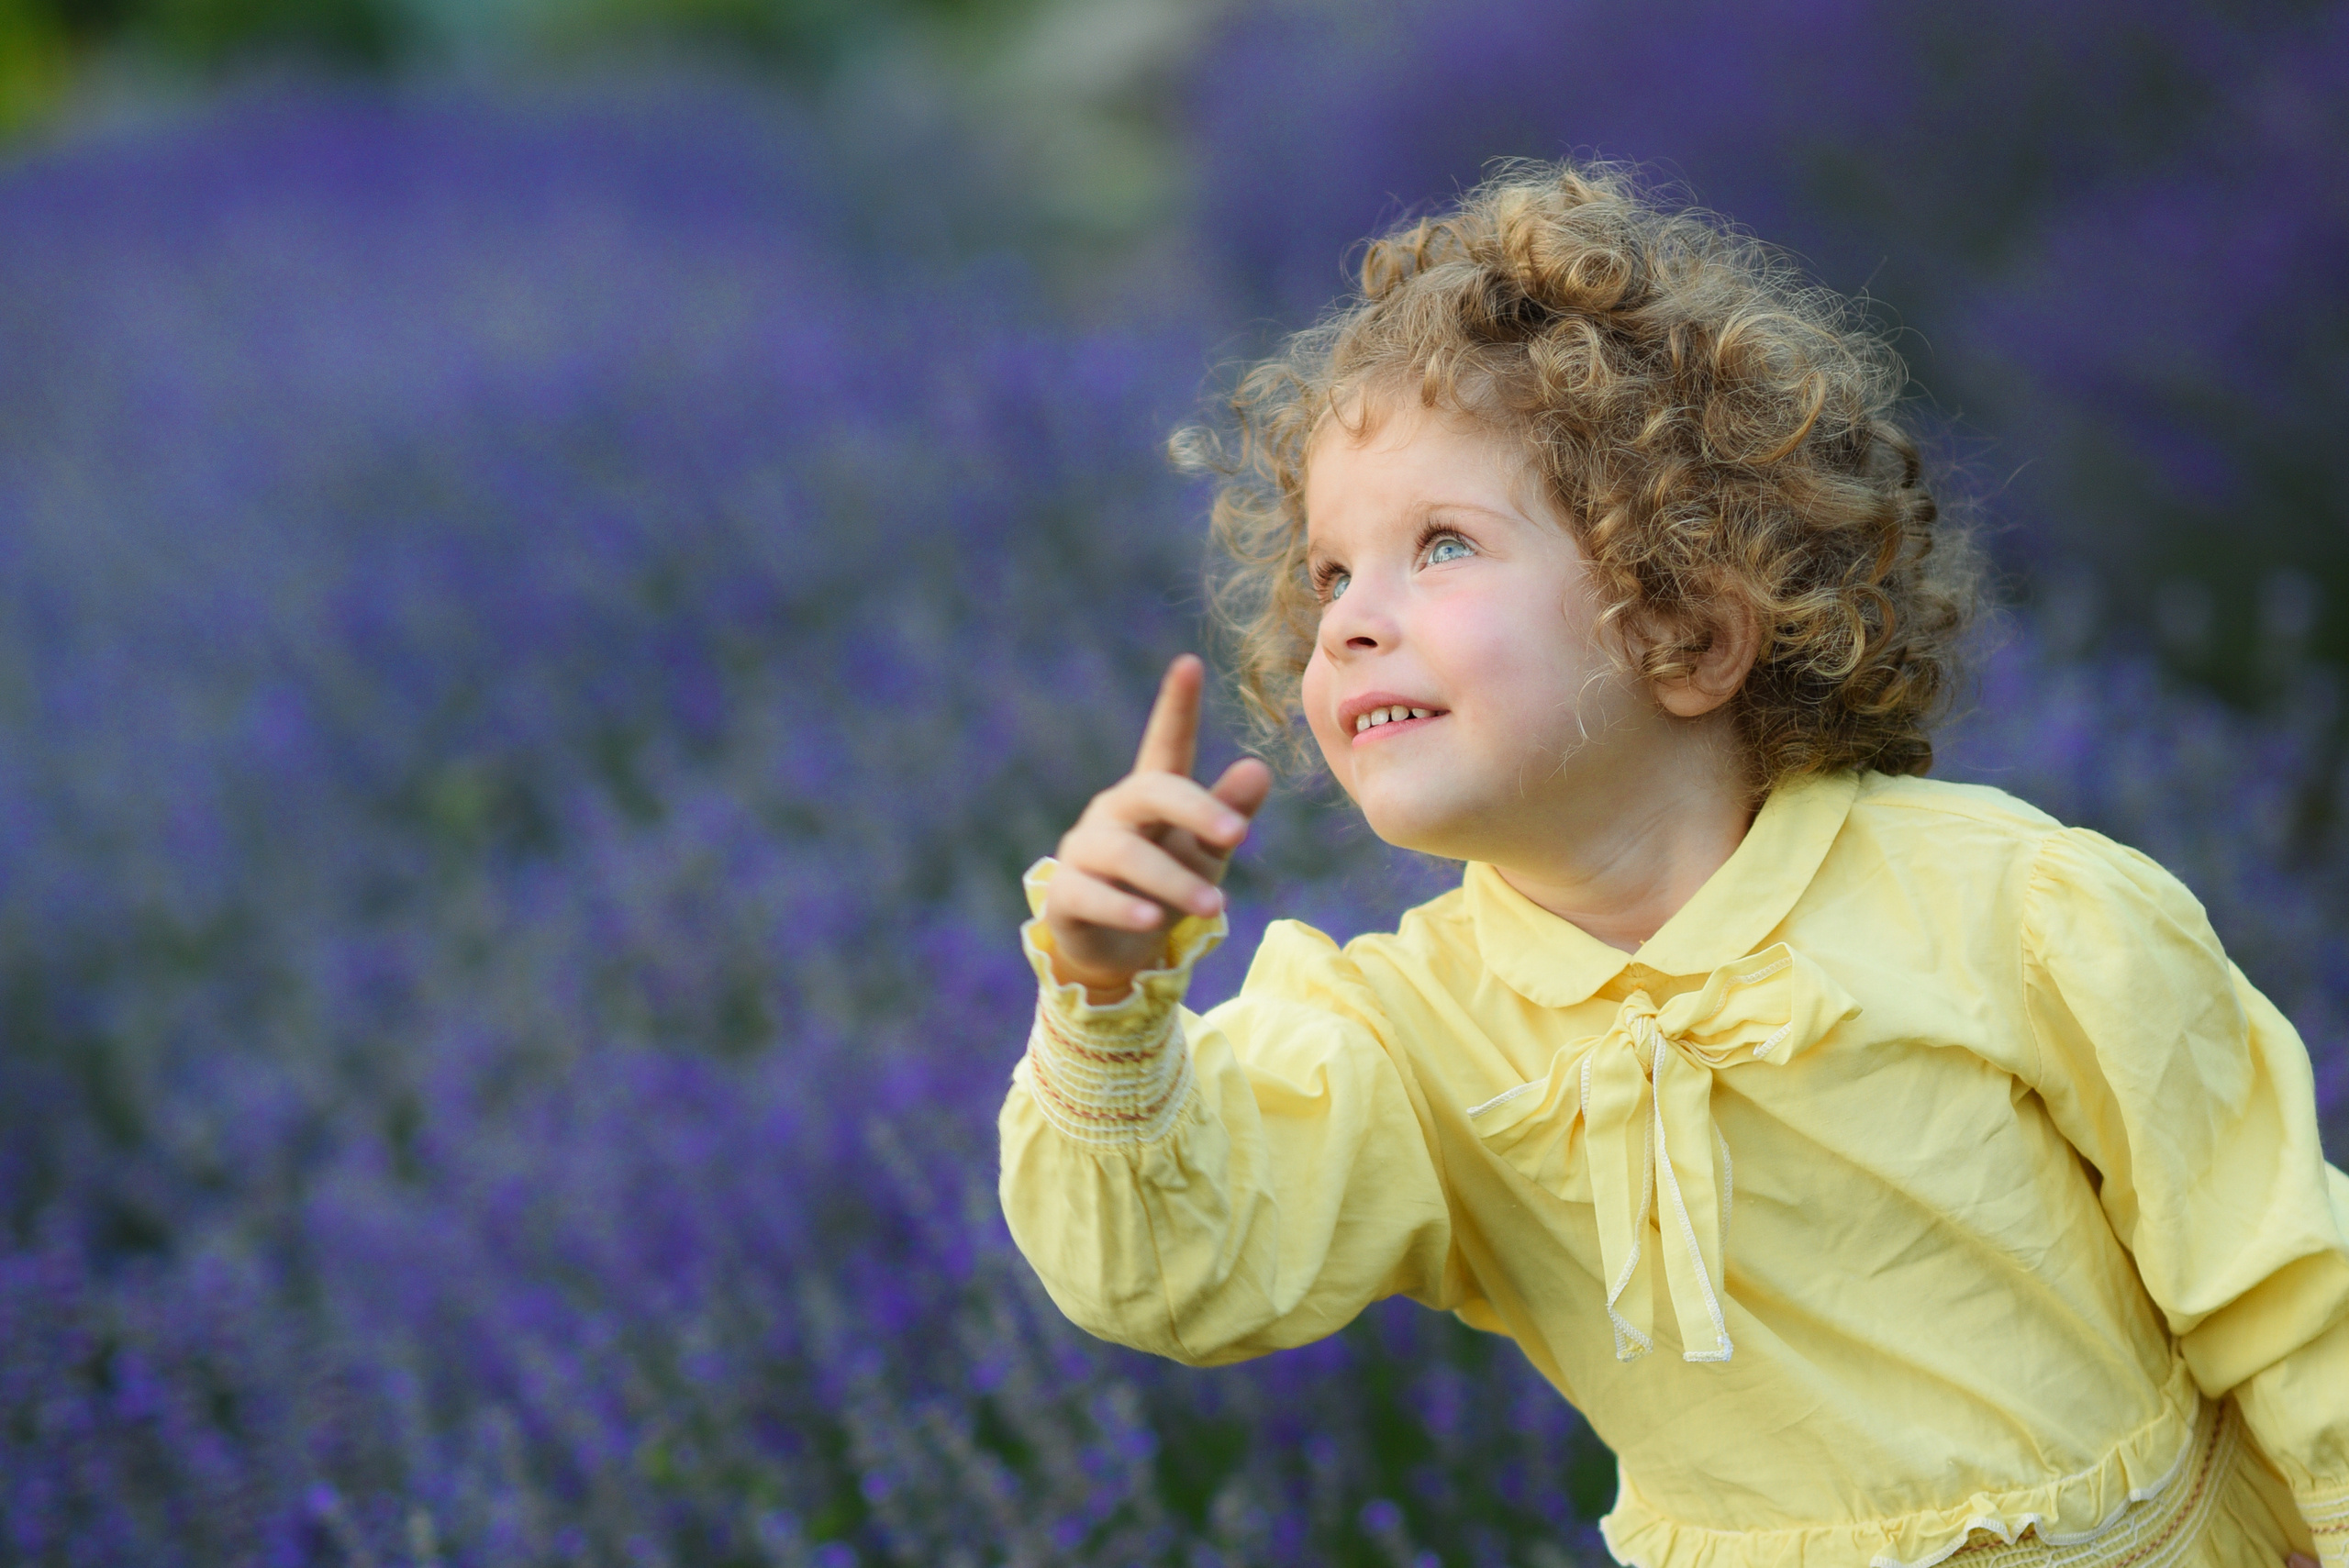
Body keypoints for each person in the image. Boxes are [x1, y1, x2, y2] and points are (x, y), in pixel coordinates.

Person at [995, 161, 2346, 1568]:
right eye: (1332, 574)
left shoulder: (2021, 915)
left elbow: (2293, 1297)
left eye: (1441, 545)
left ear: (1688, 631)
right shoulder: (1402, 1037)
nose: (1348, 625)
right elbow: (1173, 1275)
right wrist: (1108, 1008)